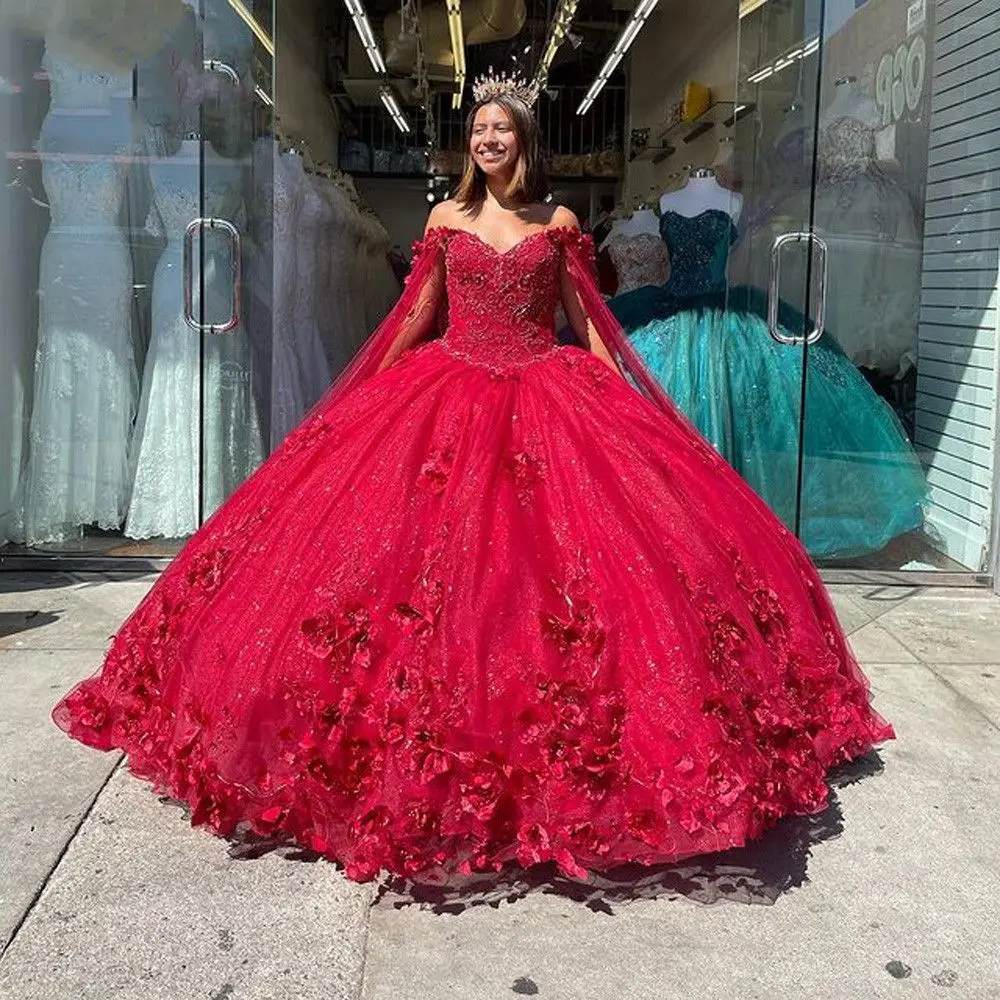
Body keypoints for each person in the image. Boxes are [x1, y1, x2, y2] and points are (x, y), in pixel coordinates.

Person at [53, 72, 893, 885]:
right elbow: (419, 312)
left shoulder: (558, 219)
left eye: (503, 129)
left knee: (563, 576)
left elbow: (583, 318)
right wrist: (368, 394)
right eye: (479, 130)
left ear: (525, 140)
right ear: (470, 143)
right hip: (447, 386)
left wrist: (619, 389)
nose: (489, 140)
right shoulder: (445, 215)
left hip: (547, 391)